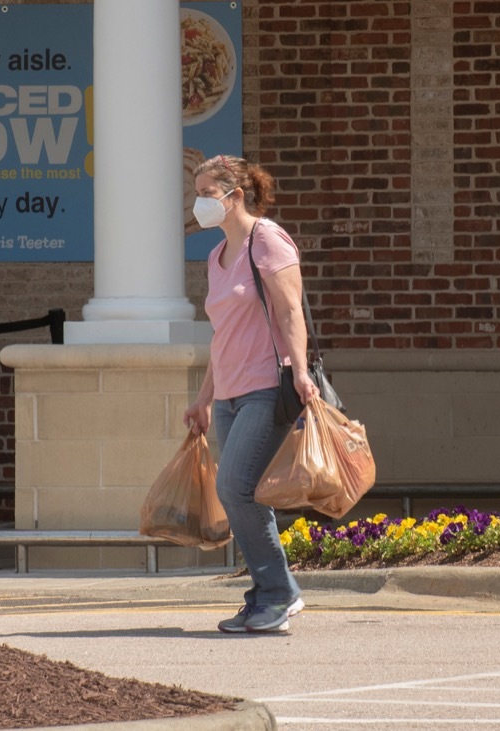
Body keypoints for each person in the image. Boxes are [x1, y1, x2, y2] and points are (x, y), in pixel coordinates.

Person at [183, 154, 318, 634]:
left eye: (205, 193)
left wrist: (301, 372)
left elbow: (290, 313)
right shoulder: (216, 256)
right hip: (229, 395)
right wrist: (202, 398)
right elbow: (223, 335)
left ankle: (279, 594)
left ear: (235, 195)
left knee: (235, 488)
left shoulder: (267, 240)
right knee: (242, 492)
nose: (199, 202)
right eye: (197, 193)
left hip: (267, 386)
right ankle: (263, 596)